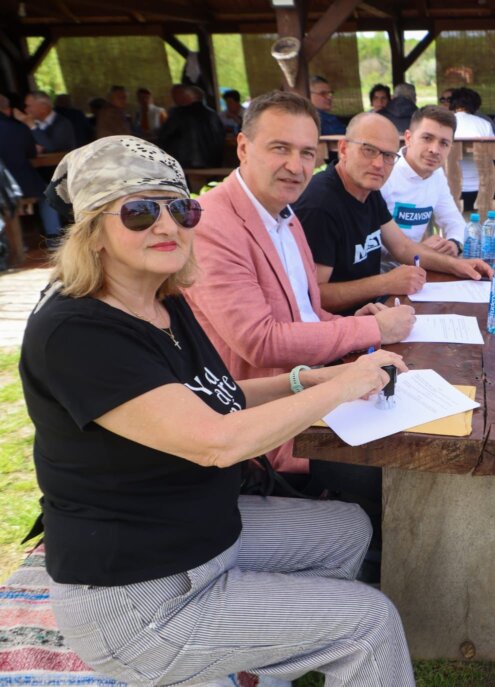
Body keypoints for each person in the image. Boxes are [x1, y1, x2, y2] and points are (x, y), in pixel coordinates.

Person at [19, 134, 415, 687]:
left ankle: (261, 660)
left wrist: (306, 379)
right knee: (369, 621)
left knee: (347, 528)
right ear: (93, 231)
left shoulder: (161, 298)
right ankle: (259, 653)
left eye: (181, 210)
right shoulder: (76, 331)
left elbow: (215, 395)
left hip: (198, 533)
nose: (167, 226)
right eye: (139, 212)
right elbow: (215, 440)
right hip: (139, 594)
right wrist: (343, 386)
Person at [184, 91, 414, 477]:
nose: (296, 166)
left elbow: (306, 311)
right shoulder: (212, 225)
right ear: (243, 147)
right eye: (280, 148)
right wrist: (372, 328)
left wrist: (353, 322)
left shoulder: (286, 215)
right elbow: (260, 341)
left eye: (307, 153)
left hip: (316, 389)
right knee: (402, 470)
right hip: (267, 428)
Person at [294, 111, 492, 315]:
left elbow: (403, 247)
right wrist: (386, 282)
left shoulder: (368, 189)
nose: (378, 164)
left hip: (376, 307)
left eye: (388, 155)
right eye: (368, 150)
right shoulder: (319, 205)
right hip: (342, 322)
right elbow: (313, 297)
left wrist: (457, 265)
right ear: (344, 149)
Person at [380, 105, 466, 264]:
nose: (435, 150)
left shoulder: (437, 174)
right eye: (427, 138)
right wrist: (418, 249)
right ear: (408, 138)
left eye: (444, 143)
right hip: (376, 270)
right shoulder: (384, 172)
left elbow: (453, 220)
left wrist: (454, 243)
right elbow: (364, 242)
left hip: (416, 264)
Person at [17, 91, 75, 248]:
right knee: (42, 192)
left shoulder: (63, 123)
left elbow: (51, 146)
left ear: (43, 107)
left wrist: (32, 127)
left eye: (29, 106)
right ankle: (52, 240)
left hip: (65, 176)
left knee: (47, 193)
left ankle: (54, 240)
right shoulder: (31, 126)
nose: (26, 110)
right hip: (41, 176)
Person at [450, 87, 495, 213]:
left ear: (453, 103)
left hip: (448, 188)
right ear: (476, 105)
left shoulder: (445, 123)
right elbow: (494, 154)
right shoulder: (484, 124)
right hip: (479, 189)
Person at [158, 85, 225, 169]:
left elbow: (164, 137)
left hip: (186, 163)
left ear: (185, 96)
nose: (173, 99)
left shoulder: (178, 114)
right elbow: (220, 136)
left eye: (175, 95)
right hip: (214, 162)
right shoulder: (212, 114)